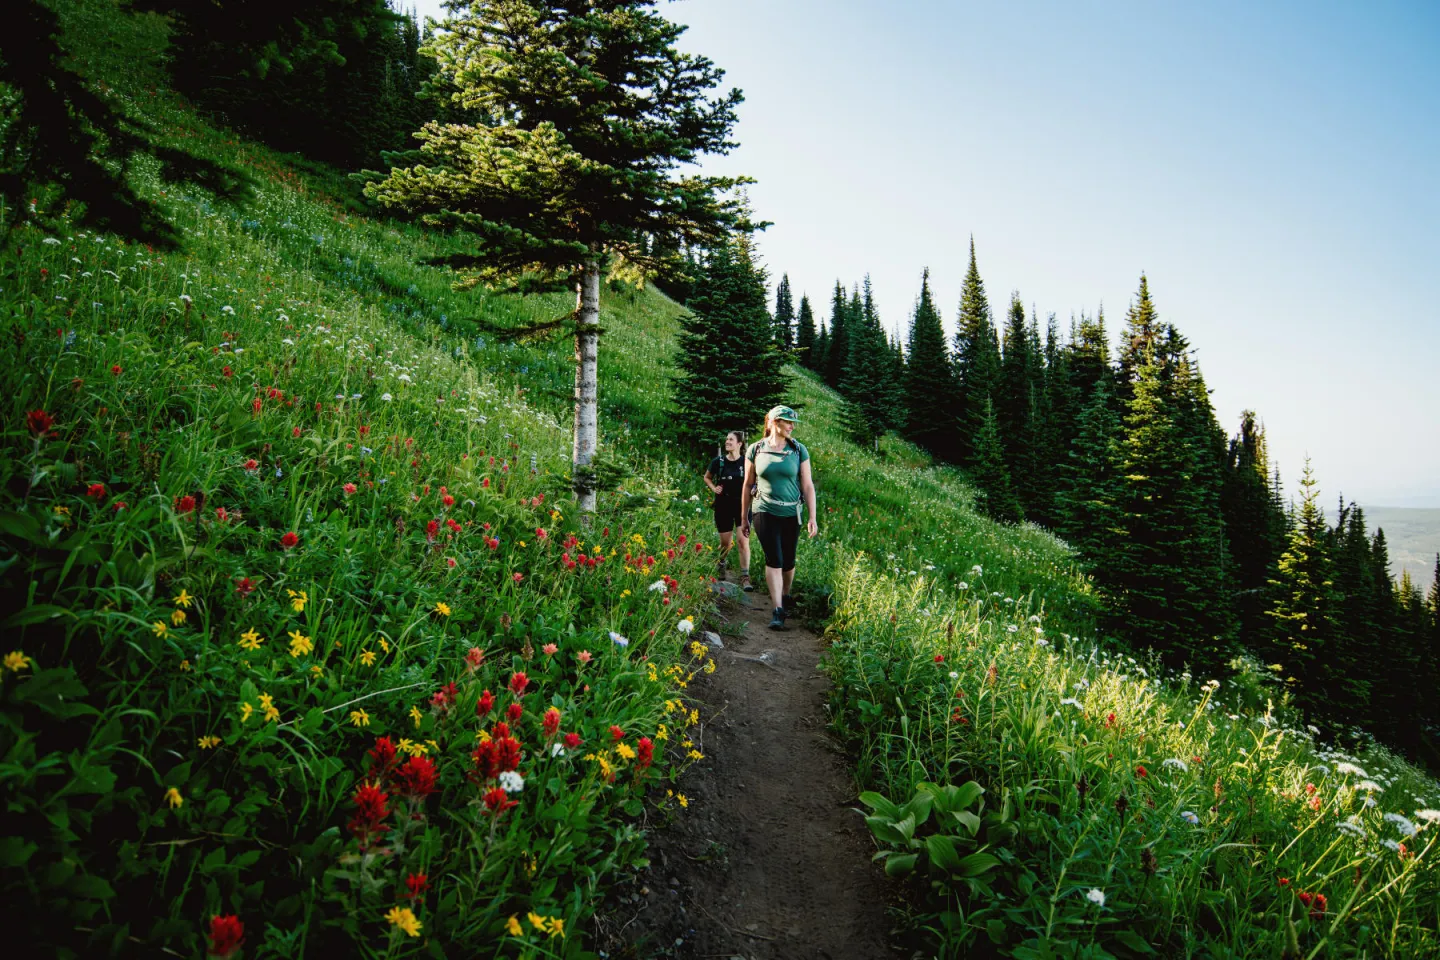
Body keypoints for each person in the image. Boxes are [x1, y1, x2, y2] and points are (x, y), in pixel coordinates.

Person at [741, 405, 819, 630]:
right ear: (774, 422)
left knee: (788, 561)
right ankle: (777, 609)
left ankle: (785, 595)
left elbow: (807, 484)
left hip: (791, 512)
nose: (792, 426)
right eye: (787, 422)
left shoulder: (798, 450)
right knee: (774, 558)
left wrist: (812, 517)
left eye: (793, 423)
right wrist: (744, 517)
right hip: (763, 510)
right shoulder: (756, 449)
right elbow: (747, 485)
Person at [704, 430, 753, 590]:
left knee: (742, 541)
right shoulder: (718, 461)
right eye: (726, 439)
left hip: (742, 507)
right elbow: (707, 477)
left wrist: (754, 491)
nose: (727, 442)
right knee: (726, 543)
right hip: (723, 506)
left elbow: (754, 481)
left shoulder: (746, 462)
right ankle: (722, 562)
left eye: (731, 440)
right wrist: (713, 488)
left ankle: (745, 577)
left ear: (739, 444)